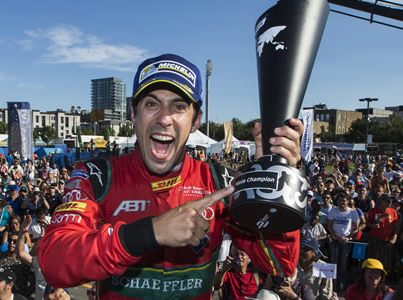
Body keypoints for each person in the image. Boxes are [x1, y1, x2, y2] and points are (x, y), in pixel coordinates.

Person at [37, 54, 304, 299]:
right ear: (133, 112)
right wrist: (150, 232)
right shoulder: (95, 176)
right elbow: (54, 264)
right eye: (152, 103)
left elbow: (279, 265)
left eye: (178, 107)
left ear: (196, 120)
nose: (164, 118)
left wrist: (277, 187)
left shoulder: (221, 182)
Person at [296, 235, 334, 300]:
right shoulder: (292, 265)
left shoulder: (325, 267)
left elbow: (326, 296)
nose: (301, 251)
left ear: (314, 252)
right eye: (300, 248)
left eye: (305, 249)